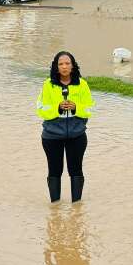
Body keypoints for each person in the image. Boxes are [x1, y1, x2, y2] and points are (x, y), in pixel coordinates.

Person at [36, 51, 94, 203]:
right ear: (56, 67)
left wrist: (75, 107)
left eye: (67, 63)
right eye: (60, 64)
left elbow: (89, 109)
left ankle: (76, 207)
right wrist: (57, 108)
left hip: (77, 135)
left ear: (73, 66)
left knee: (76, 171)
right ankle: (55, 209)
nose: (64, 67)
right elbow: (40, 109)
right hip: (52, 136)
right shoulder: (48, 85)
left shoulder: (82, 85)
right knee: (55, 171)